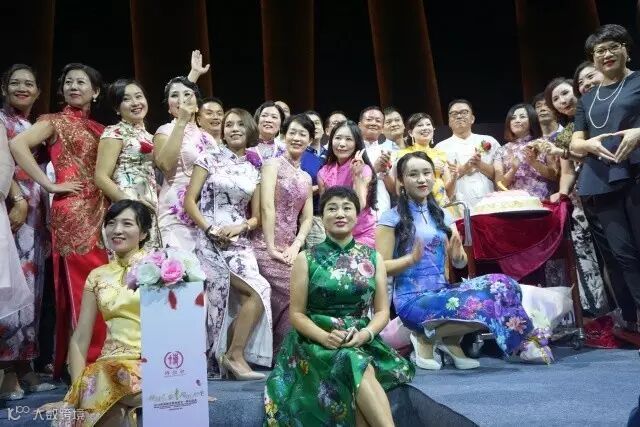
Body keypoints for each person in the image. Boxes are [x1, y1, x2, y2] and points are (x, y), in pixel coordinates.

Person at [264, 186, 414, 427]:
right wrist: (324, 337)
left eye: (347, 208)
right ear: (322, 216)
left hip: (361, 338)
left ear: (357, 215)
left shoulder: (373, 258)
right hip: (314, 341)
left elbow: (382, 312)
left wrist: (365, 334)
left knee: (355, 360)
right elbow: (297, 314)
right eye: (332, 208)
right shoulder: (306, 258)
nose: (340, 214)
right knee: (353, 361)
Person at [377, 152, 534, 370]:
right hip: (412, 301)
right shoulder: (391, 218)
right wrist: (409, 260)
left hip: (441, 293)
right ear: (402, 181)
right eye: (413, 175)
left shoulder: (443, 215)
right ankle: (426, 337)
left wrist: (458, 254)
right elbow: (380, 267)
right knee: (481, 305)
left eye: (427, 173)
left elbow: (459, 264)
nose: (422, 179)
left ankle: (444, 339)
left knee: (505, 285)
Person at [10, 63, 109, 378]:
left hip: (105, 212)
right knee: (81, 287)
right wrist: (50, 185)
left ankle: (104, 358)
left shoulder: (101, 129)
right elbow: (17, 145)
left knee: (107, 286)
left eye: (81, 82)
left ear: (95, 91)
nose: (74, 87)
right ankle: (86, 366)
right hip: (73, 213)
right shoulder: (52, 121)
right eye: (69, 82)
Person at [184, 108, 272, 380]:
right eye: (229, 124)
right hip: (210, 239)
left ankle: (233, 354)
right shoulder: (208, 158)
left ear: (249, 129)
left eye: (240, 124)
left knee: (259, 292)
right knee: (240, 295)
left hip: (240, 241)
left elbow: (256, 217)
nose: (234, 129)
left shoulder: (253, 168)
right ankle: (230, 356)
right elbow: (189, 201)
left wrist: (241, 226)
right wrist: (210, 229)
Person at [53, 200, 152, 426]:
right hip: (109, 368)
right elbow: (80, 337)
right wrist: (77, 390)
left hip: (149, 363)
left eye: (127, 224)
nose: (117, 230)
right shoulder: (98, 276)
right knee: (103, 392)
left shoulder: (161, 268)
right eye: (111, 223)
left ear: (144, 233)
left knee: (103, 386)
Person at [570, 24, 640, 326]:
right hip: (601, 178)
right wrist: (587, 144)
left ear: (626, 50)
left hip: (636, 172)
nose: (606, 54)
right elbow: (575, 142)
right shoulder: (588, 99)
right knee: (623, 253)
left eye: (613, 47)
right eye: (600, 51)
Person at [0, 64, 54, 398]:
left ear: (37, 92)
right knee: (10, 289)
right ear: (4, 88)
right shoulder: (1, 121)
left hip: (36, 217)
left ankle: (25, 365)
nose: (22, 88)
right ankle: (7, 371)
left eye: (29, 84)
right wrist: (17, 198)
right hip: (11, 212)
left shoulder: (35, 126)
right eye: (15, 83)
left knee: (33, 292)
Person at [252, 114, 313, 354]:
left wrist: (296, 245)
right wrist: (270, 247)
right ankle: (282, 352)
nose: (297, 138)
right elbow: (267, 206)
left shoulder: (306, 177)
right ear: (283, 135)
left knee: (302, 293)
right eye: (292, 133)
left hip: (290, 250)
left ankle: (283, 352)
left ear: (310, 140)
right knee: (295, 292)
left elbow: (306, 218)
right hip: (264, 245)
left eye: (302, 134)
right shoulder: (272, 165)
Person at [154, 76, 217, 251]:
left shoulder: (208, 137)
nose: (181, 99)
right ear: (169, 107)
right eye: (174, 95)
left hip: (205, 213)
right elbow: (165, 165)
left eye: (187, 94)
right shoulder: (164, 131)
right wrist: (181, 121)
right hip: (176, 212)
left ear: (197, 106)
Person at [94, 79, 159, 248]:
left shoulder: (150, 136)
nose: (135, 103)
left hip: (150, 205)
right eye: (126, 99)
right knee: (129, 261)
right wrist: (131, 204)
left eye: (139, 96)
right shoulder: (114, 132)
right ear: (117, 108)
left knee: (150, 261)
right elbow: (101, 177)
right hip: (126, 208)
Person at [318, 120, 378, 247]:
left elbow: (360, 204)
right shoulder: (323, 172)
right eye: (338, 138)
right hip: (334, 235)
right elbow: (325, 210)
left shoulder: (364, 169)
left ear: (357, 143)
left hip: (363, 234)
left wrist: (357, 176)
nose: (342, 144)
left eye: (348, 139)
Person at [435, 99, 499, 207]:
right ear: (449, 121)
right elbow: (440, 184)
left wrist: (479, 164)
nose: (459, 116)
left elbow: (500, 177)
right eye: (454, 114)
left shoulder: (490, 141)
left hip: (490, 203)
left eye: (464, 112)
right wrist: (465, 168)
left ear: (472, 118)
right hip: (458, 206)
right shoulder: (440, 148)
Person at [494, 103, 558, 199]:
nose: (517, 120)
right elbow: (499, 186)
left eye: (522, 117)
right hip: (514, 201)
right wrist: (513, 169)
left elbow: (554, 176)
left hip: (541, 200)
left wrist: (534, 162)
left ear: (532, 120)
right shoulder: (501, 150)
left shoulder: (544, 143)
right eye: (513, 118)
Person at [394, 112, 454, 207]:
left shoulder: (440, 154)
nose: (425, 128)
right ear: (410, 133)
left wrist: (455, 177)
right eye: (420, 125)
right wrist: (431, 167)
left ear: (433, 129)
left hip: (442, 206)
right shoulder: (403, 155)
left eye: (428, 124)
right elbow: (399, 189)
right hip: (417, 207)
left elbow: (449, 189)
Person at [359, 106, 394, 215]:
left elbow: (393, 190)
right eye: (369, 119)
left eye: (378, 121)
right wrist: (375, 169)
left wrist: (385, 172)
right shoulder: (352, 151)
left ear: (382, 128)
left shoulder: (387, 152)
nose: (373, 123)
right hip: (360, 208)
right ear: (359, 125)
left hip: (383, 207)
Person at [302, 110, 327, 247]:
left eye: (317, 123)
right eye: (309, 124)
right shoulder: (299, 155)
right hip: (311, 216)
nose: (315, 127)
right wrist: (321, 187)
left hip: (332, 214)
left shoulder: (331, 154)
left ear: (323, 129)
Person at [247, 101, 285, 169]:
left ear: (281, 124)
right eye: (264, 115)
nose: (268, 120)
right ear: (257, 120)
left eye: (274, 117)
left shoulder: (284, 150)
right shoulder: (246, 146)